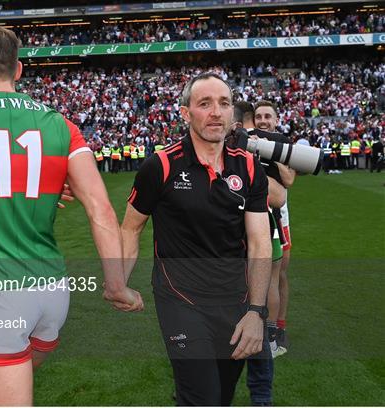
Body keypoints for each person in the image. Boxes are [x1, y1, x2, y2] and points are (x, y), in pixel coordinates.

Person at [0, 25, 142, 406]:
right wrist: (115, 284)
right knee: (14, 376)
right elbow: (101, 209)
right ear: (19, 69)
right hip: (52, 293)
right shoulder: (60, 123)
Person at [121, 73, 272, 406]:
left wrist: (257, 313)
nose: (216, 112)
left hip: (235, 302)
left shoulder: (248, 168)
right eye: (205, 104)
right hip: (180, 300)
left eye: (223, 103)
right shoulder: (160, 166)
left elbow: (261, 244)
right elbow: (131, 227)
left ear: (233, 113)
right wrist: (118, 280)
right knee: (202, 397)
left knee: (221, 396)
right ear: (186, 113)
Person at [234, 101, 285, 406]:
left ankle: (261, 395)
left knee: (255, 315)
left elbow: (280, 194)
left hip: (254, 245)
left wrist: (249, 161)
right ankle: (196, 385)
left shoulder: (254, 153)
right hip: (216, 254)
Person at [254, 101, 296, 354]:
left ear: (276, 119)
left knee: (279, 274)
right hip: (259, 213)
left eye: (268, 116)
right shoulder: (251, 140)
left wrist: (273, 153)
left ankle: (279, 328)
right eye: (259, 116)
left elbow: (289, 179)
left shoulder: (283, 143)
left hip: (280, 217)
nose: (263, 121)